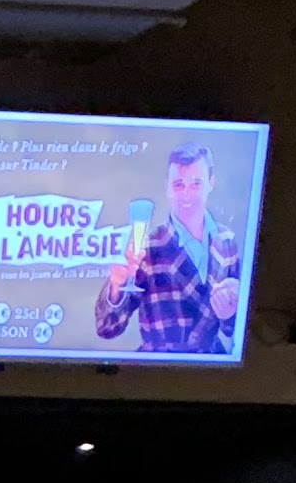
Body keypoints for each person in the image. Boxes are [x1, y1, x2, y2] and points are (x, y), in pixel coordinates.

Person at [94, 140, 243, 359]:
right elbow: (107, 328)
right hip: (157, 368)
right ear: (167, 187)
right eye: (178, 185)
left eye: (196, 184)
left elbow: (235, 328)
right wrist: (116, 286)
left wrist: (231, 312)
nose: (187, 194)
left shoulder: (227, 241)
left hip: (212, 366)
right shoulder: (146, 247)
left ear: (211, 183)